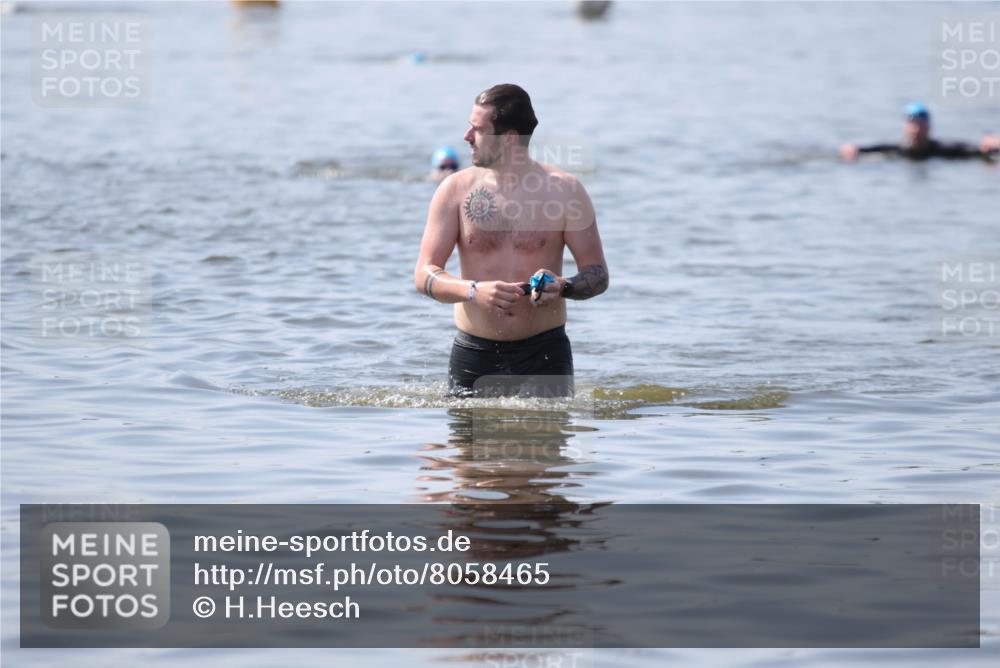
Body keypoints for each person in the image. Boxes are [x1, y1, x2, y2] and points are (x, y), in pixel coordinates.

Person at [413, 84, 609, 397]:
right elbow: (424, 274)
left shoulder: (565, 191)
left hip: (545, 355)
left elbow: (598, 275)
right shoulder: (454, 191)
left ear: (509, 138)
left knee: (545, 445)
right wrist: (473, 291)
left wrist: (564, 287)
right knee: (466, 448)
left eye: (477, 129)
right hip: (474, 354)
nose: (466, 137)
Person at [840, 103, 1000, 161]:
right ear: (905, 127)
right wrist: (857, 149)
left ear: (928, 128)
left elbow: (964, 148)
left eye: (921, 125)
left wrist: (986, 147)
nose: (916, 130)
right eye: (912, 125)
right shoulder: (900, 149)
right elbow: (880, 148)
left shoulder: (940, 149)